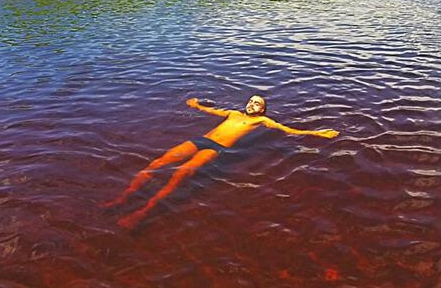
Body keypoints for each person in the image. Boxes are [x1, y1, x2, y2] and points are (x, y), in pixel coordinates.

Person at [103, 96, 339, 229]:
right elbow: (211, 111)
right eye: (251, 101)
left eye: (257, 103)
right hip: (199, 140)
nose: (252, 104)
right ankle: (121, 200)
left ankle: (142, 214)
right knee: (156, 163)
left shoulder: (263, 121)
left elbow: (289, 130)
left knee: (180, 175)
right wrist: (196, 105)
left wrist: (318, 134)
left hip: (216, 149)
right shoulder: (233, 114)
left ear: (264, 109)